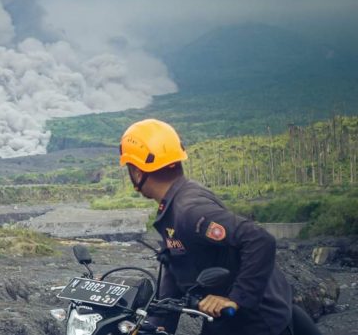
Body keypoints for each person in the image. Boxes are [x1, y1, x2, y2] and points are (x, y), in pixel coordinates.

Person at [119, 119, 321, 335]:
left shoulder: (190, 210)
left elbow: (259, 240)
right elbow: (176, 264)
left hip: (259, 321)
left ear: (138, 172)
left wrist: (235, 299)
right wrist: (158, 324)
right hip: (227, 320)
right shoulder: (174, 205)